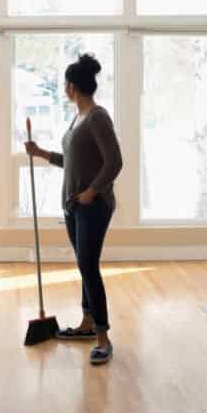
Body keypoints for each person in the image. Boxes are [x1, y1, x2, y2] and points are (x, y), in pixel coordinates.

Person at [25, 53, 123, 365]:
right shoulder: (78, 118)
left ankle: (104, 338)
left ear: (71, 86)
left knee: (89, 267)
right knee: (84, 266)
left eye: (65, 84)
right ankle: (86, 323)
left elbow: (114, 162)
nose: (64, 88)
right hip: (73, 206)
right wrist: (41, 153)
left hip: (93, 206)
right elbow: (75, 162)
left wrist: (92, 192)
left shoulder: (97, 117)